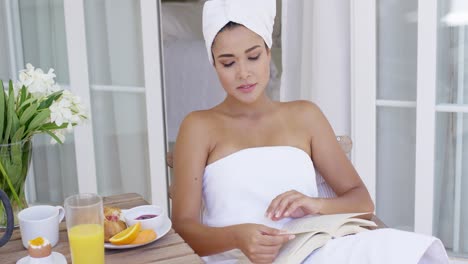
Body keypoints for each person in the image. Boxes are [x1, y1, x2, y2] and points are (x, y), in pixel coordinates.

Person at [171, 0, 449, 263]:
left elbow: (362, 202)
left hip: (314, 251)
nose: (243, 73)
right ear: (214, 64)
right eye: (228, 63)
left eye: (253, 56)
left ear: (268, 52)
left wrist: (314, 204)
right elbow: (184, 228)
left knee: (397, 249)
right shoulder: (199, 127)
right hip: (237, 258)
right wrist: (237, 237)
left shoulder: (305, 116)